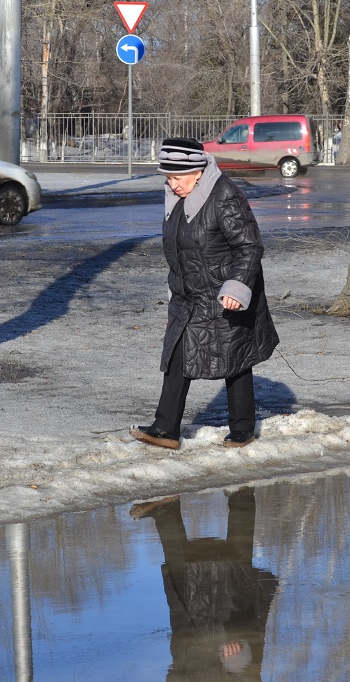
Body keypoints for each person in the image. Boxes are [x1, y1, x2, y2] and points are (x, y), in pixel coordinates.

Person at [131, 137, 280, 450]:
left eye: (177, 177)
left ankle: (242, 429)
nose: (172, 184)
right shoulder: (176, 199)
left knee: (235, 359)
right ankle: (165, 429)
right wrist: (174, 296)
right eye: (168, 177)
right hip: (189, 297)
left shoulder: (224, 194)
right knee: (176, 357)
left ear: (198, 172)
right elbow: (179, 253)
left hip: (225, 294)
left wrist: (236, 287)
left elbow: (249, 246)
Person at [129, 489, 278, 682]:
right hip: (229, 643)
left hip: (189, 641)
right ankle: (241, 495)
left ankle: (166, 511)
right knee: (234, 572)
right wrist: (236, 661)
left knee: (182, 579)